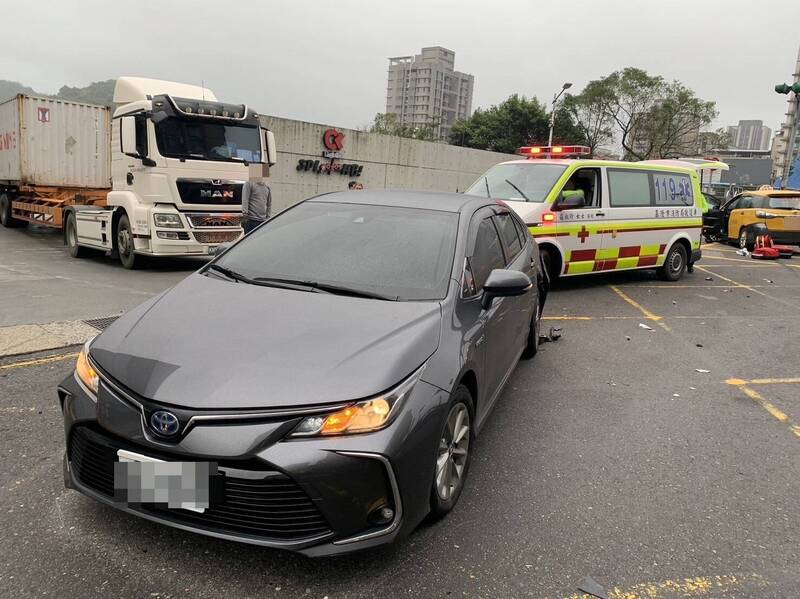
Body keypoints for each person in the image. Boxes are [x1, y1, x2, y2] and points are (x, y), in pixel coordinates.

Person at [242, 164, 272, 234]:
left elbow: (269, 204)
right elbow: (245, 199)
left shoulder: (267, 187)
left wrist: (268, 217)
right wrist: (245, 214)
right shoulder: (249, 183)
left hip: (263, 221)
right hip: (251, 220)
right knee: (249, 241)